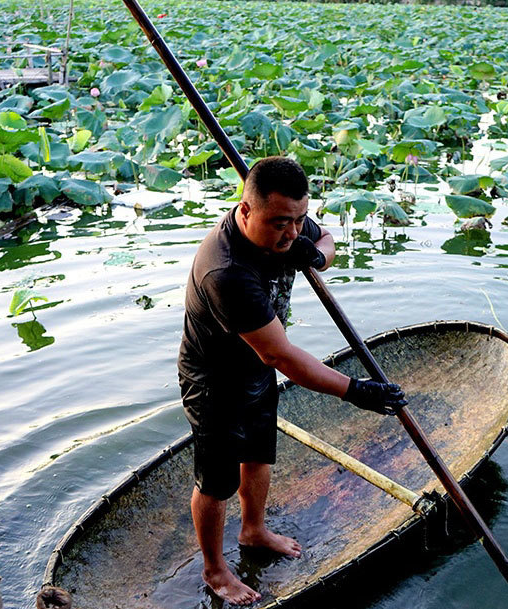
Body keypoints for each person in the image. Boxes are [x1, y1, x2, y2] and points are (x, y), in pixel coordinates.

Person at [178, 156, 407, 605]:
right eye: (280, 223)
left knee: (259, 452)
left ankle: (254, 530)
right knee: (216, 479)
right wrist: (354, 390)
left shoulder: (289, 218)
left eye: (297, 220)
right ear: (245, 211)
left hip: (256, 368)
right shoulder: (226, 271)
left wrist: (316, 252)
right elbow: (281, 354)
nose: (290, 232)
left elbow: (328, 238)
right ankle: (215, 570)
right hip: (216, 379)